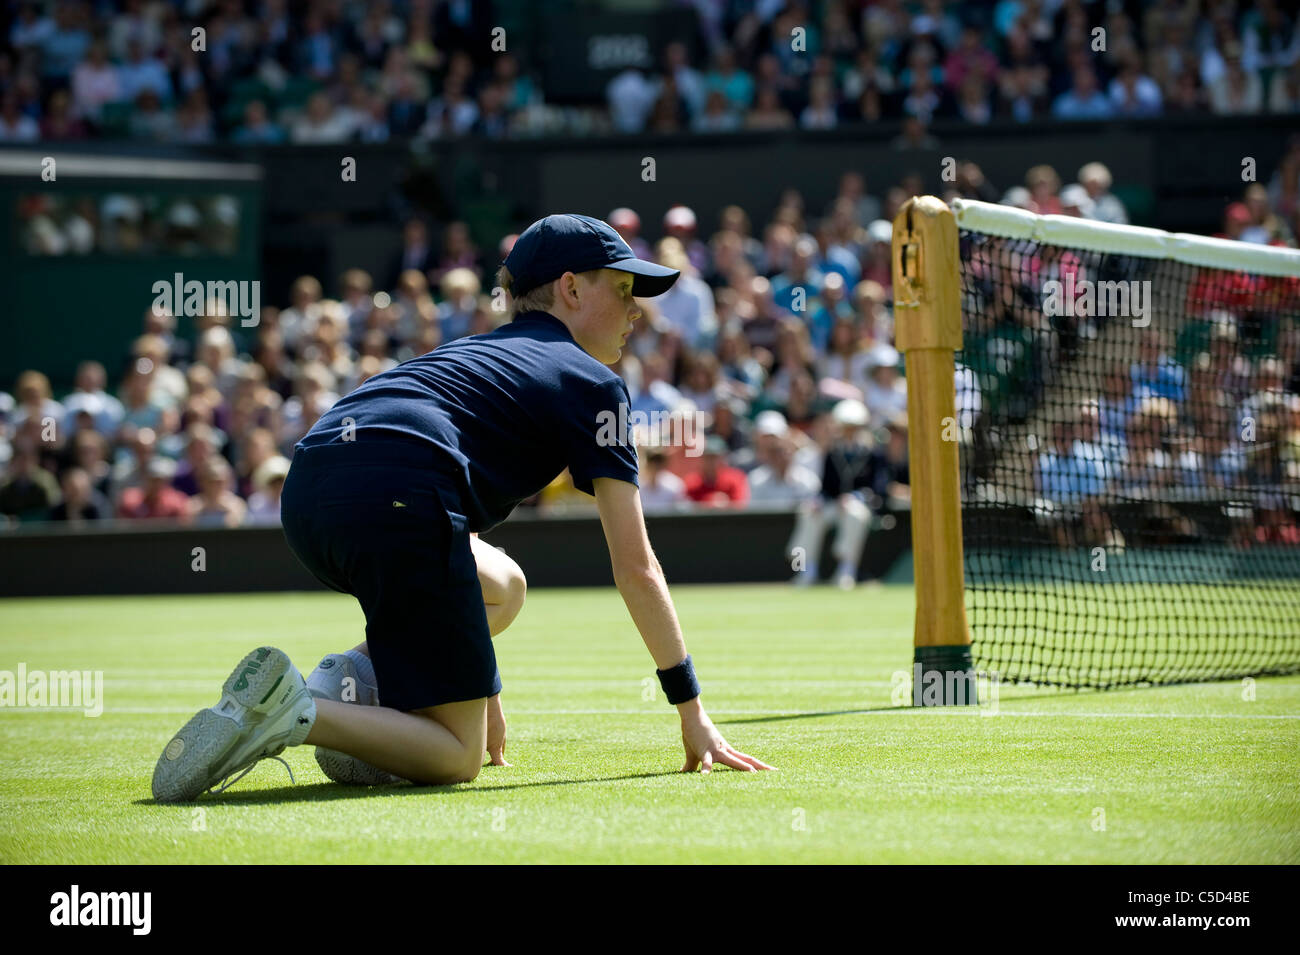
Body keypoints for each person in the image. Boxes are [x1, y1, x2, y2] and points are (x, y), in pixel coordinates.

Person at [152, 213, 775, 802]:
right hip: (398, 498)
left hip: (309, 490)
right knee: (455, 758)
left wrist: (479, 681)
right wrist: (693, 712)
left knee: (503, 586)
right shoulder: (595, 383)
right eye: (622, 287)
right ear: (569, 290)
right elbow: (636, 567)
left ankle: (343, 681)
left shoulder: (476, 352)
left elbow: (435, 496)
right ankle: (300, 710)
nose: (636, 310)